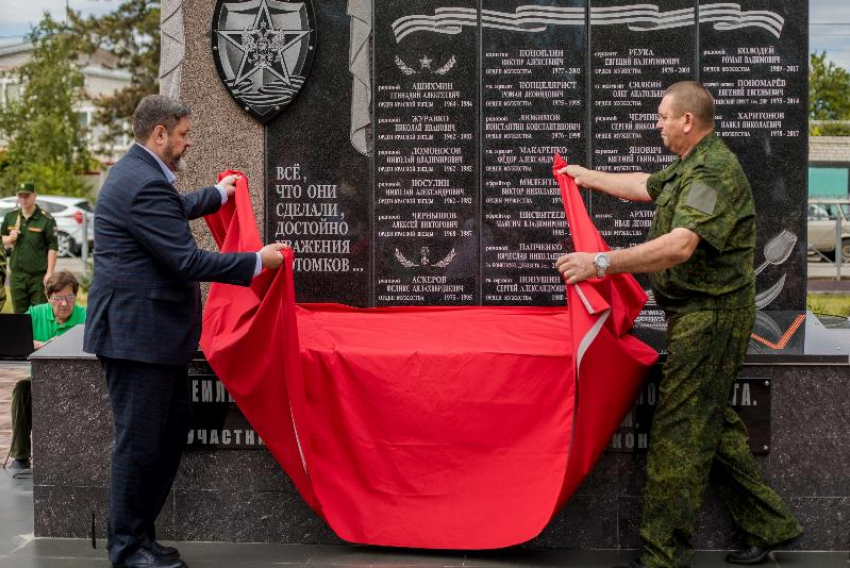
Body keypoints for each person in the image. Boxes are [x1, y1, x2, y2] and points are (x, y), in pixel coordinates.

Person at [555, 81, 802, 568]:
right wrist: (583, 176)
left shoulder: (713, 170)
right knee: (711, 423)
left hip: (710, 317)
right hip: (695, 312)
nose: (658, 123)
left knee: (678, 430)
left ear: (687, 121)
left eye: (664, 116)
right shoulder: (691, 166)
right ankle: (767, 524)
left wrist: (600, 264)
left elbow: (680, 245)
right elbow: (645, 186)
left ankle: (662, 554)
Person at [84, 95, 288, 568]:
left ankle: (140, 536)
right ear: (159, 134)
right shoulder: (141, 183)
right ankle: (128, 548)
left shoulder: (141, 174)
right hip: (137, 340)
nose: (188, 141)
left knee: (169, 434)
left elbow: (172, 208)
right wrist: (259, 262)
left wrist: (219, 195)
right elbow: (186, 260)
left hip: (153, 337)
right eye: (182, 134)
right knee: (138, 444)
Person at [7, 270, 87, 470]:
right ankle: (21, 456)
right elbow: (17, 339)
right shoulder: (35, 313)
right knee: (21, 389)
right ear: (48, 297)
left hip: (77, 383)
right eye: (58, 298)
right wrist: (45, 345)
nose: (64, 303)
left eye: (69, 297)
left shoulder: (85, 315)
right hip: (41, 380)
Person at [1, 182, 58, 313]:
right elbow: (2, 239)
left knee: (39, 313)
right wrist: (9, 239)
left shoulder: (46, 219)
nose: (23, 199)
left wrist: (50, 272)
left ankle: (38, 335)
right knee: (19, 315)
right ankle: (21, 335)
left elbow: (53, 246)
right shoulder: (11, 217)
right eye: (20, 196)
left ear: (34, 195)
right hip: (17, 276)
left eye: (26, 196)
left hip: (38, 276)